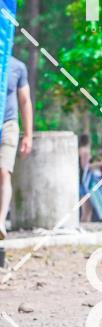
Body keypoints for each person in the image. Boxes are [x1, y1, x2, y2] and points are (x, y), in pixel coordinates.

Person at [0, 56, 33, 238]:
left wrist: (28, 134)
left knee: (4, 171)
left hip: (8, 124)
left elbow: (25, 100)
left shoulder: (17, 66)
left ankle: (0, 222)